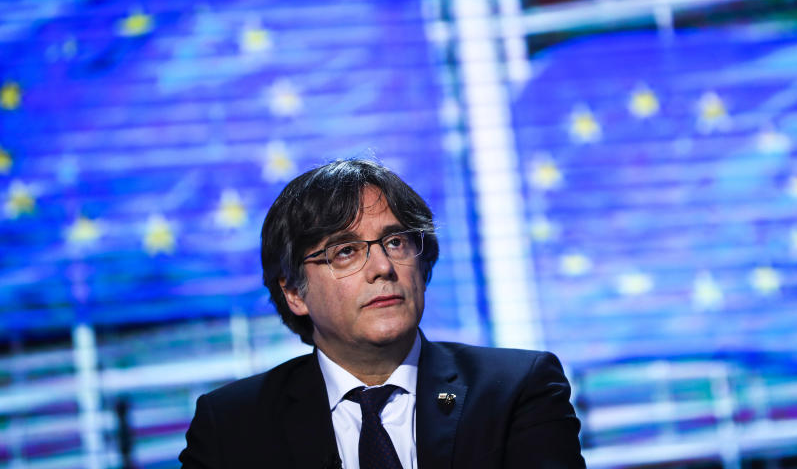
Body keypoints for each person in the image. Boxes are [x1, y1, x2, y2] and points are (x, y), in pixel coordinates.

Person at [179, 158, 585, 469]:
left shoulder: (516, 390)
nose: (382, 268)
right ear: (293, 293)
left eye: (395, 242)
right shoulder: (232, 424)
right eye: (345, 251)